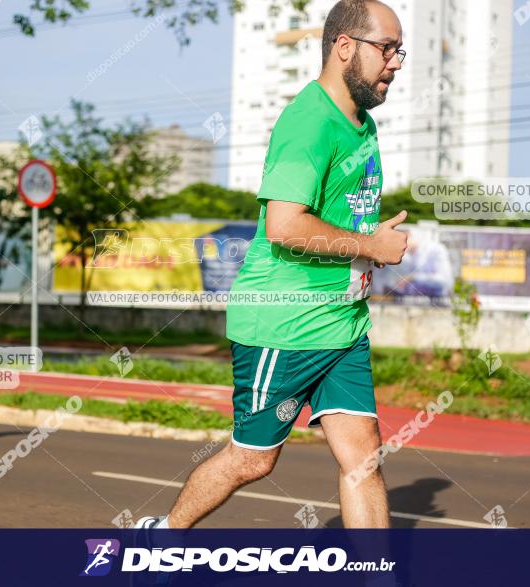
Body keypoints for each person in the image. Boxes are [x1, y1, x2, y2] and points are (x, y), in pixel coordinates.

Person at [137, 0, 408, 530]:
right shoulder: (308, 122)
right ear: (344, 46)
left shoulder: (362, 126)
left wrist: (367, 249)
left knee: (364, 460)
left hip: (342, 325)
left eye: (401, 51)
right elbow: (285, 227)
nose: (396, 62)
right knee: (254, 460)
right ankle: (159, 538)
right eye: (387, 49)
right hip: (283, 326)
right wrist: (370, 247)